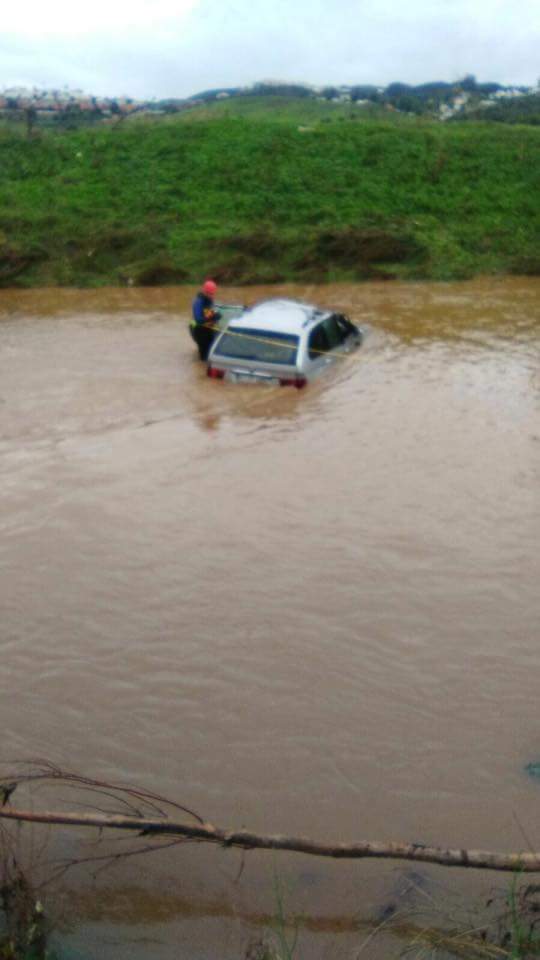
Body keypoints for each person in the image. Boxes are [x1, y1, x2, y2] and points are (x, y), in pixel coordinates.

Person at [190, 279, 222, 361]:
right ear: (205, 291)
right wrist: (212, 317)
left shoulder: (210, 300)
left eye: (212, 294)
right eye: (210, 293)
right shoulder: (198, 302)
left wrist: (215, 316)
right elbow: (198, 320)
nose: (211, 295)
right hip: (199, 330)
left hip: (209, 329)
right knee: (204, 357)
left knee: (211, 352)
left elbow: (208, 313)